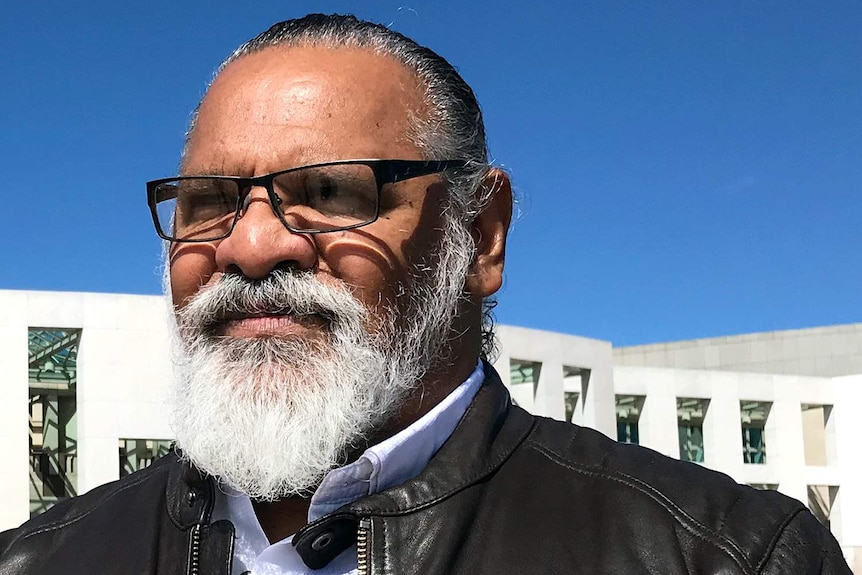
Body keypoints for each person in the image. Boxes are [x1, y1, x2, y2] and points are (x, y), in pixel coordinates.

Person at [0, 13, 851, 575]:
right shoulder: (40, 559)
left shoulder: (726, 557)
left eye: (332, 193)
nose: (251, 244)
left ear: (481, 236)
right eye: (208, 203)